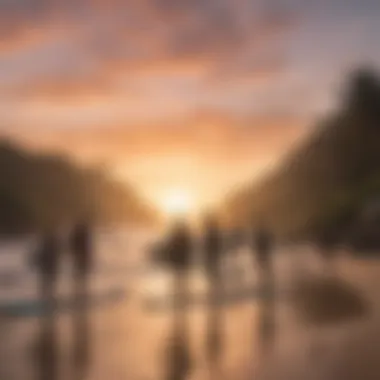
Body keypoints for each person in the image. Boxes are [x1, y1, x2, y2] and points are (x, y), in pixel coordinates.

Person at [34, 229, 61, 307]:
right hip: (48, 268)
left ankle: (47, 298)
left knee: (47, 284)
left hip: (48, 268)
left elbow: (39, 256)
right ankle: (47, 298)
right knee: (48, 284)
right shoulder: (50, 246)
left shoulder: (48, 246)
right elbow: (39, 256)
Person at [70, 221, 93, 301]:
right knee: (81, 274)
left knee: (80, 274)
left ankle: (79, 291)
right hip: (81, 256)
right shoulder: (83, 235)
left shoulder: (78, 234)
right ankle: (80, 291)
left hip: (80, 256)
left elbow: (74, 246)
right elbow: (87, 247)